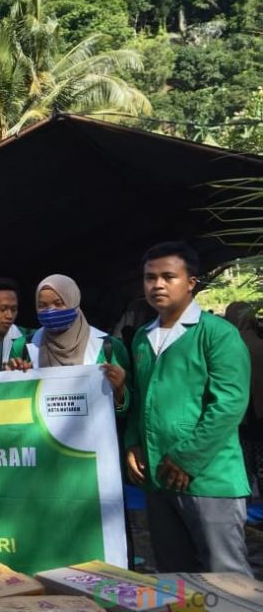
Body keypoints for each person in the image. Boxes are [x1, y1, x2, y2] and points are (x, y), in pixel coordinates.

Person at [126, 242, 252, 575]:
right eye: (150, 277)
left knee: (226, 576)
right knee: (174, 576)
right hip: (158, 476)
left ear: (191, 281)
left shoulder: (217, 334)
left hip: (209, 476)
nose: (158, 285)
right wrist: (133, 444)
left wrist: (186, 457)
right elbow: (140, 399)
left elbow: (229, 404)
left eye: (169, 276)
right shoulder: (142, 337)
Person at [12, 274, 129, 409]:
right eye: (42, 305)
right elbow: (16, 405)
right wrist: (12, 380)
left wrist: (120, 390)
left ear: (73, 301)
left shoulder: (109, 346)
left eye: (58, 303)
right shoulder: (23, 346)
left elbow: (127, 409)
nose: (50, 311)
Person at [226, 302, 263, 490]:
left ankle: (245, 503)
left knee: (243, 463)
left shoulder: (227, 348)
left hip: (238, 417)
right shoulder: (259, 344)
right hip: (260, 414)